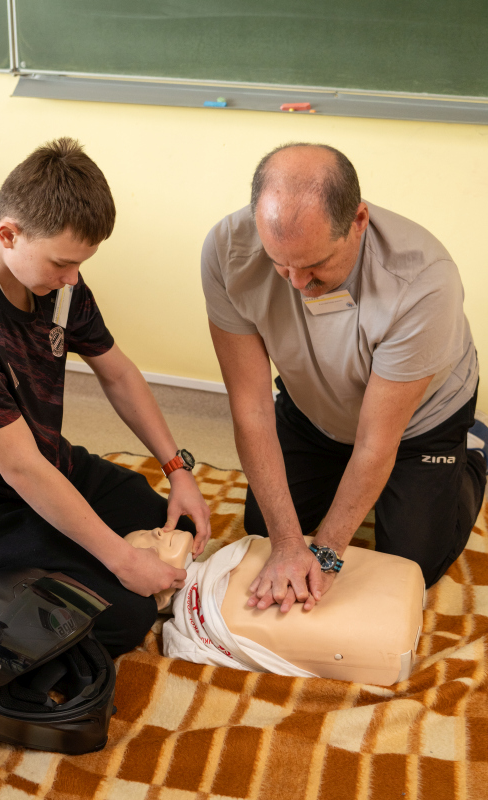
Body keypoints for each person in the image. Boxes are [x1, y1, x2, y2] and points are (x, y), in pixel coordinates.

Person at [201, 142, 486, 617]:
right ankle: (339, 476)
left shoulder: (423, 280)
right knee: (263, 532)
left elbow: (377, 440)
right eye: (280, 263)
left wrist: (327, 551)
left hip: (418, 424)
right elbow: (250, 408)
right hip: (313, 411)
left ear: (358, 221)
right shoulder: (225, 250)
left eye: (314, 266)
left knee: (412, 563)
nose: (296, 283)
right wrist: (288, 543)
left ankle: (471, 459)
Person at [0, 137, 210, 657]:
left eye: (80, 264)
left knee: (175, 526)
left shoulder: (60, 286)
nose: (73, 278)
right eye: (62, 263)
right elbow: (21, 469)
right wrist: (122, 560)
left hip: (48, 460)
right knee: (126, 615)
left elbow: (118, 374)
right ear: (8, 234)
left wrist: (177, 469)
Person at [126, 527, 425, 685]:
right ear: (159, 598)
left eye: (149, 530)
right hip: (385, 641)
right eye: (146, 547)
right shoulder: (189, 627)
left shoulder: (235, 551)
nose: (156, 531)